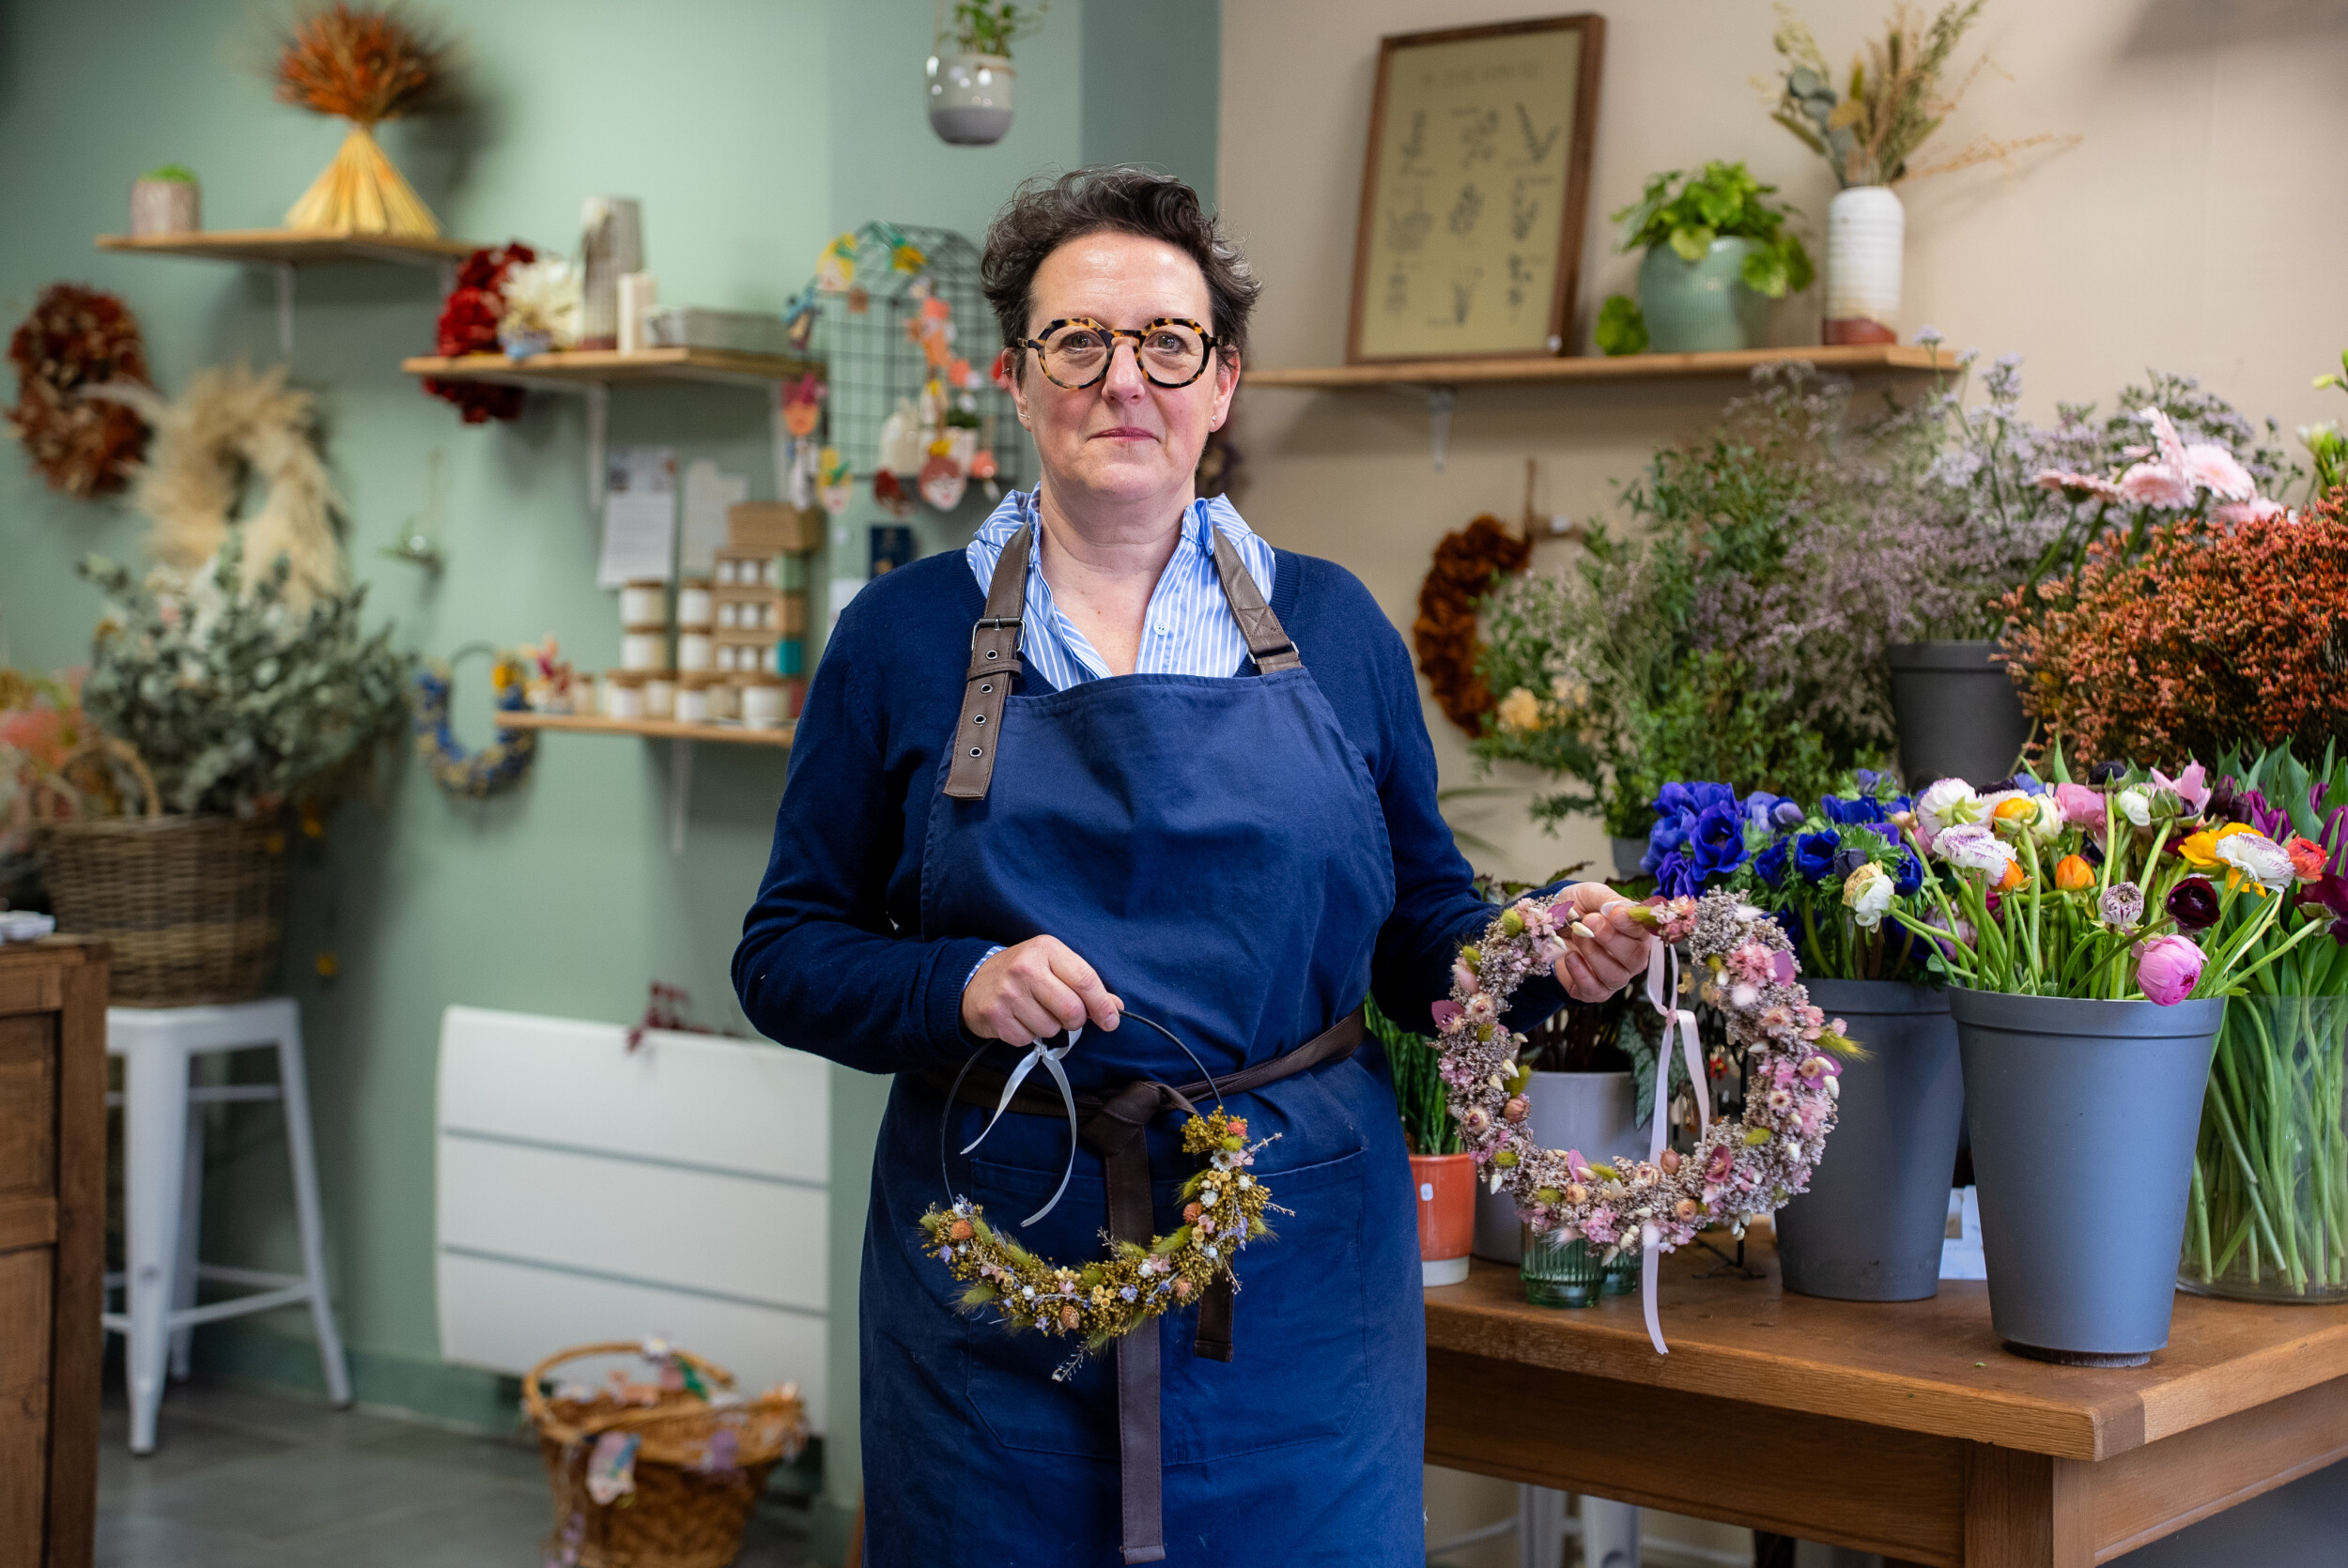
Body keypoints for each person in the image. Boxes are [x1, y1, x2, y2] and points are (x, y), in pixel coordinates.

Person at [734, 166, 1654, 1568]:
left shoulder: (1333, 625)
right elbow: (786, 949)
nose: (1126, 381)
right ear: (1016, 378)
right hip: (1001, 1263)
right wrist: (956, 982)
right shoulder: (901, 636)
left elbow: (1420, 926)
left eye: (1169, 342)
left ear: (1223, 383)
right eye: (1079, 342)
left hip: (1297, 1270)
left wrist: (1532, 952)